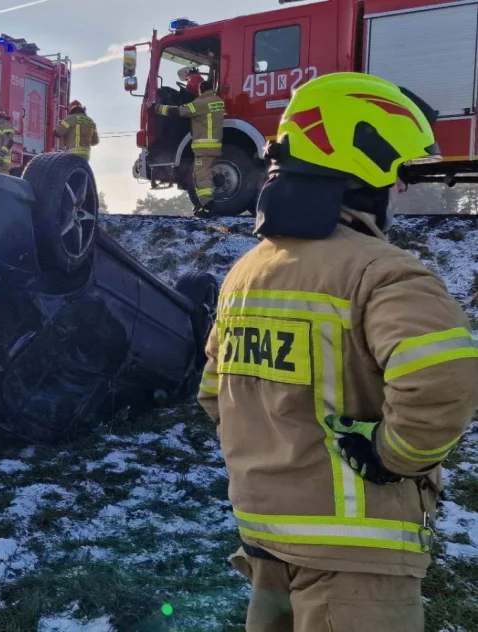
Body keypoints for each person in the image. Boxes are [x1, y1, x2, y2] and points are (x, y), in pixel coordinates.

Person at [197, 72, 478, 631]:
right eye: (394, 173)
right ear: (363, 168)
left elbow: (213, 395)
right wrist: (393, 454)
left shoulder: (245, 274)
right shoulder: (383, 272)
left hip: (264, 542)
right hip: (355, 559)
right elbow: (443, 378)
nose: (398, 189)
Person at [154, 75, 224, 214]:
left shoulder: (200, 103)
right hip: (215, 145)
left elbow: (181, 111)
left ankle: (208, 207)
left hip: (203, 147)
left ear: (200, 90)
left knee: (201, 175)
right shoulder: (218, 102)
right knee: (205, 173)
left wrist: (159, 109)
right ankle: (203, 205)